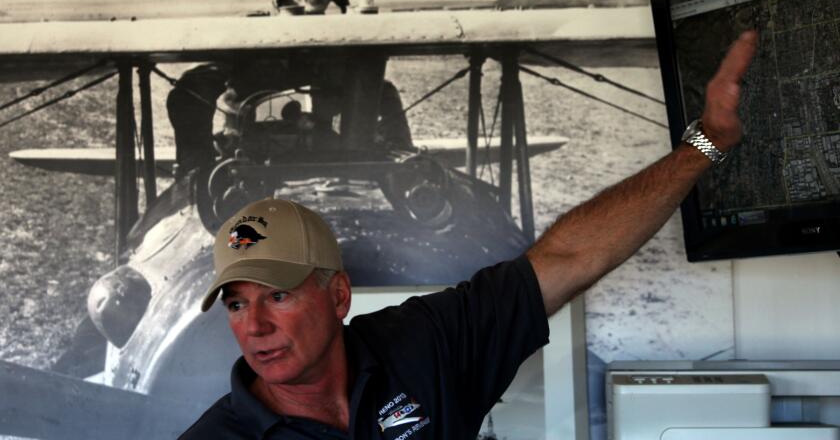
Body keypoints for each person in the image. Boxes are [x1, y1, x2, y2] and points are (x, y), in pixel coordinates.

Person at [179, 31, 758, 439]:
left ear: (338, 296)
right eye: (236, 303)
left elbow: (568, 255)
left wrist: (704, 142)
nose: (253, 328)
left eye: (277, 295)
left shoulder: (424, 346)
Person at [166, 0, 411, 177]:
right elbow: (190, 91)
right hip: (251, 174)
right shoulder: (253, 35)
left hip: (329, 173)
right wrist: (199, 167)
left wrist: (403, 170)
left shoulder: (343, 40)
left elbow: (382, 95)